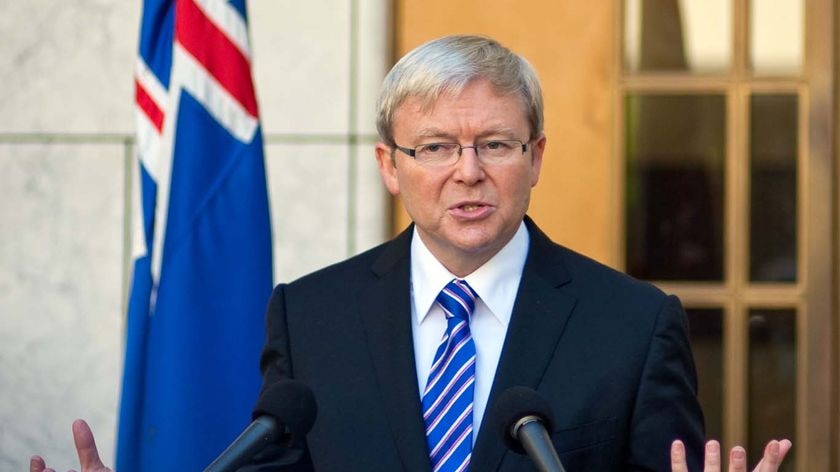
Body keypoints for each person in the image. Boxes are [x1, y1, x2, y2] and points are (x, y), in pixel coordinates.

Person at [32, 35, 791, 472]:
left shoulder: (633, 324)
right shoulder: (312, 316)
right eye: (434, 147)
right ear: (389, 165)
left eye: (495, 143)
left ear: (536, 156)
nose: (467, 171)